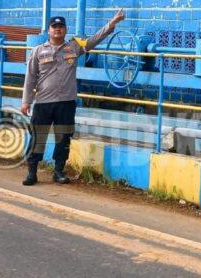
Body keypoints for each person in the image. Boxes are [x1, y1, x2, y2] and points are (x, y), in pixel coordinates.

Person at [20, 10, 125, 185]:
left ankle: (58, 171)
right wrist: (26, 101)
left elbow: (93, 40)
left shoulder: (74, 47)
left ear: (66, 30)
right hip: (44, 103)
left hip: (66, 103)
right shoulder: (38, 51)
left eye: (61, 26)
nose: (57, 29)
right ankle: (32, 172)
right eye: (54, 27)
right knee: (37, 137)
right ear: (48, 30)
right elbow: (30, 77)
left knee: (63, 138)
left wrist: (111, 24)